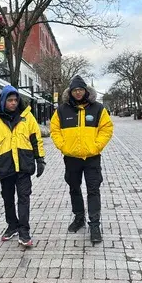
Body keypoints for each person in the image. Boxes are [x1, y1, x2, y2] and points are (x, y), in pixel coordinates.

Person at [50, 75, 113, 243]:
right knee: (74, 188)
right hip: (71, 158)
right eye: (75, 90)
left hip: (92, 158)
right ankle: (79, 218)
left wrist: (96, 146)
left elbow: (106, 129)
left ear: (86, 91)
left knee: (93, 190)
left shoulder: (98, 108)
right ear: (70, 92)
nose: (78, 93)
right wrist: (63, 147)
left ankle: (94, 225)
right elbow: (54, 130)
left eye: (80, 90)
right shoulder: (62, 110)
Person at [0, 85, 45, 247]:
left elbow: (36, 139)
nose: (13, 103)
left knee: (24, 198)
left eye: (16, 100)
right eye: (10, 100)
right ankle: (12, 225)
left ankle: (24, 231)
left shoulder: (27, 117)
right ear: (3, 101)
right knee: (8, 198)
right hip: (5, 165)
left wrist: (40, 159)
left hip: (24, 164)